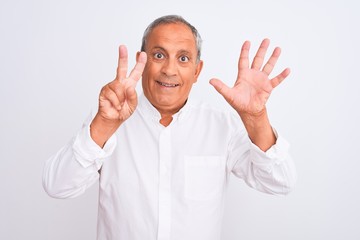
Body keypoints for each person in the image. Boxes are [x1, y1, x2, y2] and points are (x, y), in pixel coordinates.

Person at [43, 15, 296, 240]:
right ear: (141, 62)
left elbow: (280, 182)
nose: (169, 70)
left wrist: (256, 118)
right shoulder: (109, 119)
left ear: (197, 71)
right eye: (159, 55)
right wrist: (103, 126)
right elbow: (57, 185)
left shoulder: (222, 126)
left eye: (183, 58)